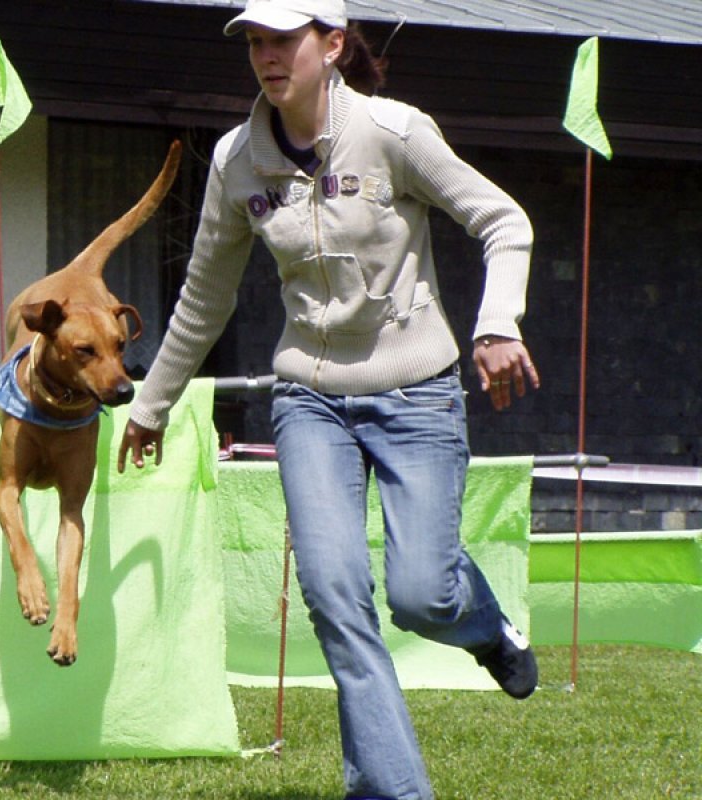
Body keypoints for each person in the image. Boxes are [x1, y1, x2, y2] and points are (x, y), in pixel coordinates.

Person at [117, 2, 539, 798]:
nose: (266, 56)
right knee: (334, 595)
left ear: (332, 45)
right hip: (309, 399)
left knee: (421, 595)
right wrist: (152, 403)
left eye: (283, 39)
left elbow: (502, 221)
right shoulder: (237, 160)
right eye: (254, 42)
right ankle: (392, 789)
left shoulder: (393, 132)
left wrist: (496, 324)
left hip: (417, 394)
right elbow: (204, 297)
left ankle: (486, 625)